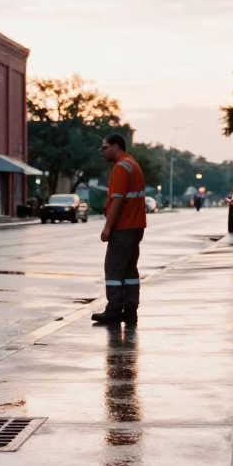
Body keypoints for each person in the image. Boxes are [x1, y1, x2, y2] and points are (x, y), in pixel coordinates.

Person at [92, 133, 146, 325]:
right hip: (136, 227)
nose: (103, 152)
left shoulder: (121, 167)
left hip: (123, 228)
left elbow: (117, 200)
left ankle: (113, 310)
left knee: (114, 269)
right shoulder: (133, 164)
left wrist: (107, 227)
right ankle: (130, 311)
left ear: (116, 146)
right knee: (130, 270)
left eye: (105, 148)